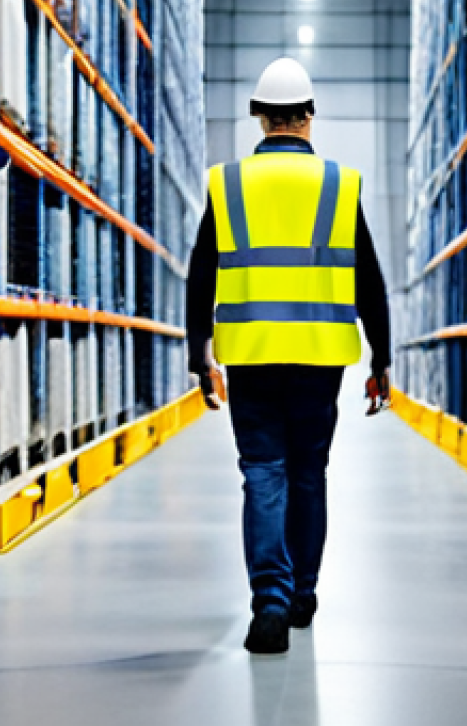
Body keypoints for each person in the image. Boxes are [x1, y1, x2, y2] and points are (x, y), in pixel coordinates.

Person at [186, 57, 392, 656]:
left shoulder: (228, 183)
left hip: (250, 354)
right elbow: (369, 279)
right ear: (307, 116)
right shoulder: (338, 182)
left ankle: (269, 604)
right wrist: (381, 358)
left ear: (258, 118)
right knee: (308, 473)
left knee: (263, 473)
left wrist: (201, 353)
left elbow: (201, 273)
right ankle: (302, 595)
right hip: (319, 355)